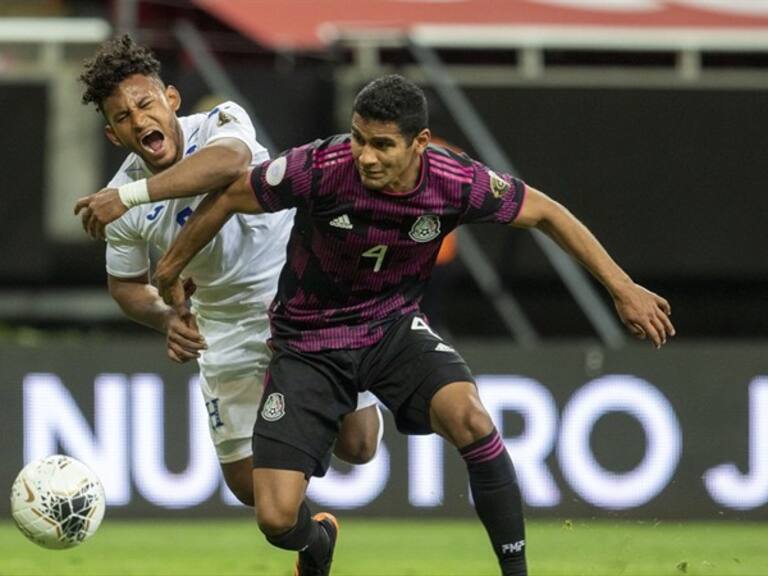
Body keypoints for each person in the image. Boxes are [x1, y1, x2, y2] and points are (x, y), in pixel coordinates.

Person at [90, 74, 675, 576]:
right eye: (358, 140)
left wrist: (621, 287)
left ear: (419, 143)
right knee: (268, 509)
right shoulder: (321, 166)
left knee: (450, 422)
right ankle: (314, 538)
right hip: (302, 337)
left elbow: (544, 210)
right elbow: (233, 197)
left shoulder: (455, 180)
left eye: (381, 145)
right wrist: (168, 279)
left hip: (387, 325)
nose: (365, 157)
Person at [73, 35, 383, 507]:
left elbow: (231, 163)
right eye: (122, 117)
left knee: (359, 447)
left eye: (145, 103)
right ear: (114, 136)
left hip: (300, 293)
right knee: (249, 488)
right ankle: (316, 542)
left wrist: (131, 198)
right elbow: (126, 286)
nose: (139, 120)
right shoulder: (120, 200)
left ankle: (334, 370)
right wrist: (166, 319)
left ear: (170, 99)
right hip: (223, 325)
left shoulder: (220, 122)